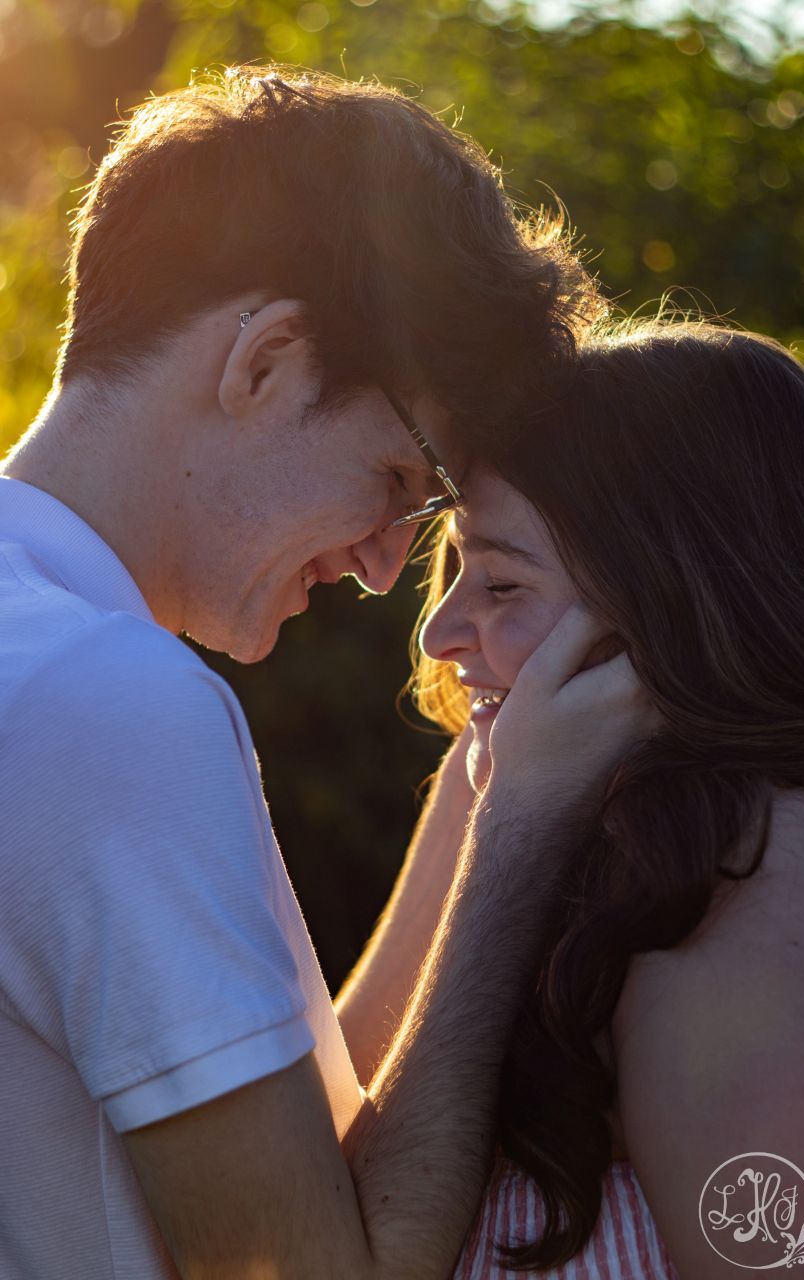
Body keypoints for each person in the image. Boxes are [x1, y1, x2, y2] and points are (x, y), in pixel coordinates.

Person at [0, 65, 658, 1279]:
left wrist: (478, 791)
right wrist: (518, 836)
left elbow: (312, 1141)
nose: (380, 568)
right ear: (267, 359)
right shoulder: (112, 706)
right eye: (403, 481)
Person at [414, 316, 804, 1278]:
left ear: (669, 602)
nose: (440, 632)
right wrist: (500, 817)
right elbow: (350, 1157)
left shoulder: (754, 881)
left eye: (498, 583)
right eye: (454, 573)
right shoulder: (531, 804)